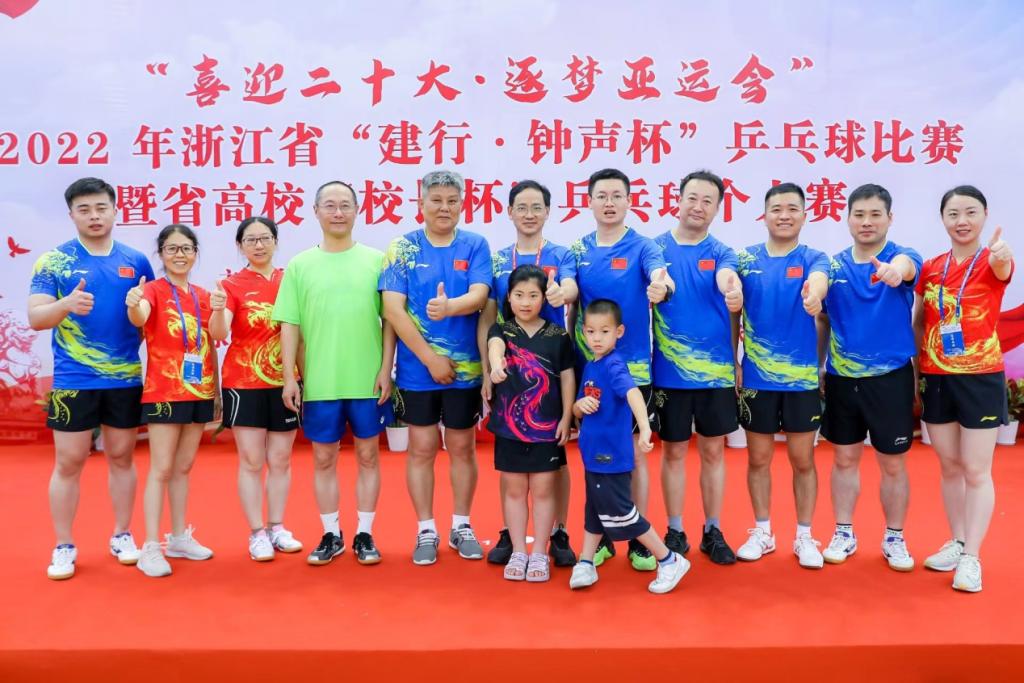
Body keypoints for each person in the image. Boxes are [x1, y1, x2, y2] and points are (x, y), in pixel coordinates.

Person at [29, 177, 155, 580]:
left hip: (124, 379)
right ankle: (64, 544)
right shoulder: (54, 261)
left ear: (115, 211)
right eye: (84, 209)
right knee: (69, 462)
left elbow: (147, 321)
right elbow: (36, 317)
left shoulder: (137, 261)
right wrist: (66, 304)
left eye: (101, 208)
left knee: (122, 457)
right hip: (73, 379)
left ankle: (122, 534)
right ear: (72, 215)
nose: (94, 216)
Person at [273, 181, 395, 566]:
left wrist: (385, 369)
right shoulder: (300, 265)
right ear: (316, 212)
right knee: (323, 458)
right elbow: (289, 325)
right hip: (321, 382)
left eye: (345, 205)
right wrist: (290, 377)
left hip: (367, 380)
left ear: (357, 210)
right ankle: (331, 534)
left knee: (369, 456)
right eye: (329, 205)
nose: (338, 212)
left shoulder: (376, 261)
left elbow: (390, 321)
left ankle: (365, 533)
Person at [380, 169, 492, 565]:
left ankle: (462, 525)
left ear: (462, 204)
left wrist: (450, 307)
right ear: (421, 203)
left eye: (452, 201)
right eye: (436, 200)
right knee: (422, 448)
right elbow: (392, 309)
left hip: (465, 371)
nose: (444, 208)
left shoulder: (475, 244)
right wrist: (430, 359)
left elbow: (480, 296)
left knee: (462, 446)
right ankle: (425, 529)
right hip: (418, 371)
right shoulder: (402, 248)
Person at [563, 168, 672, 572]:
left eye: (616, 196)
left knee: (634, 457)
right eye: (601, 196)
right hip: (590, 371)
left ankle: (641, 543)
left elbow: (660, 276)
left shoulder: (643, 247)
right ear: (589, 201)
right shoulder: (578, 248)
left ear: (629, 201)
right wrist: (560, 291)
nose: (609, 203)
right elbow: (569, 287)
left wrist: (662, 287)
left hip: (633, 371)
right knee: (596, 455)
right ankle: (603, 538)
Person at [914, 185, 1013, 593]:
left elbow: (1003, 269)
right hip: (937, 376)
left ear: (985, 215)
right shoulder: (931, 267)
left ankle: (972, 556)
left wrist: (1001, 256)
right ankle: (957, 542)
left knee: (976, 469)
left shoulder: (991, 261)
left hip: (980, 377)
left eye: (971, 212)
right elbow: (920, 319)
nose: (962, 221)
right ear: (943, 219)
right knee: (950, 466)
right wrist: (918, 368)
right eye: (953, 214)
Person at [818, 184, 921, 571]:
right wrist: (818, 367)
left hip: (889, 379)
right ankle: (843, 532)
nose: (866, 222)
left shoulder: (902, 257)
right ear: (847, 219)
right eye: (859, 214)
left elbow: (908, 269)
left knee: (892, 463)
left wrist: (895, 272)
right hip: (842, 380)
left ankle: (895, 537)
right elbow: (823, 320)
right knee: (844, 459)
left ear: (889, 218)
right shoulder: (833, 267)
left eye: (875, 214)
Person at [479, 179, 579, 568]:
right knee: (512, 468)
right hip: (510, 375)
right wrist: (490, 368)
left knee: (555, 462)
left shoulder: (562, 254)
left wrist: (561, 293)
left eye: (537, 207)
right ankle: (514, 534)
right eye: (522, 207)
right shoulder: (497, 259)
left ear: (548, 212)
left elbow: (570, 288)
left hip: (553, 369)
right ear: (509, 212)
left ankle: (557, 531)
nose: (529, 214)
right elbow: (490, 320)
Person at [734, 183, 830, 569]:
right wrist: (734, 362)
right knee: (758, 459)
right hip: (757, 378)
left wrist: (814, 296)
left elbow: (819, 283)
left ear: (804, 215)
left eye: (792, 208)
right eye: (776, 208)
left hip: (801, 381)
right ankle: (763, 531)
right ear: (765, 215)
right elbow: (734, 313)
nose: (784, 215)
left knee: (802, 460)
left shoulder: (814, 258)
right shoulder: (745, 260)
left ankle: (805, 535)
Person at [652, 170, 742, 565]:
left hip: (715, 374)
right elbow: (657, 279)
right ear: (678, 200)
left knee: (713, 452)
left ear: (717, 208)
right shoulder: (655, 249)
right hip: (669, 372)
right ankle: (674, 528)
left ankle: (713, 530)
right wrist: (660, 287)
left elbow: (727, 277)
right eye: (692, 198)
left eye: (708, 201)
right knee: (673, 452)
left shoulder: (722, 252)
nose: (698, 206)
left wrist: (731, 287)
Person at [568, 299, 689, 593]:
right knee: (594, 508)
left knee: (622, 512)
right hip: (592, 454)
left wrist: (645, 427)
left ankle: (669, 559)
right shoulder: (591, 365)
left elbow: (633, 393)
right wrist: (579, 406)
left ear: (618, 332)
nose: (597, 338)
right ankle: (586, 561)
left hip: (612, 455)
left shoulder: (613, 365)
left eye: (604, 331)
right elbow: (580, 406)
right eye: (591, 331)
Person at [127, 224, 218, 578]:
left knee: (183, 467)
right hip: (164, 390)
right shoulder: (151, 290)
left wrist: (215, 390)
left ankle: (179, 537)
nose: (179, 254)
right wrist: (133, 304)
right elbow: (140, 316)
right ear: (161, 254)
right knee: (162, 468)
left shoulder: (204, 295)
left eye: (186, 248)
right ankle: (150, 546)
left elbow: (212, 341)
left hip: (199, 389)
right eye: (172, 248)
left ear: (195, 253)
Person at [210, 216, 302, 562]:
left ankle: (277, 526)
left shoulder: (291, 280)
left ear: (276, 241)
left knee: (280, 459)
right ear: (240, 246)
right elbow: (220, 333)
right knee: (251, 460)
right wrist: (218, 309)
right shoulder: (231, 285)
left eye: (265, 238)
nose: (259, 245)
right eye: (251, 240)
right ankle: (257, 532)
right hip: (243, 382)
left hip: (285, 381)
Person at [487, 265, 576, 582]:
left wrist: (566, 417)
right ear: (508, 297)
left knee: (543, 490)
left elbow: (567, 378)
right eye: (519, 295)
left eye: (533, 295)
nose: (526, 302)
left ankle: (539, 551)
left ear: (544, 298)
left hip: (547, 428)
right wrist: (496, 366)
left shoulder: (557, 336)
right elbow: (494, 348)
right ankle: (518, 551)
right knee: (514, 490)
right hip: (508, 428)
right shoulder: (501, 330)